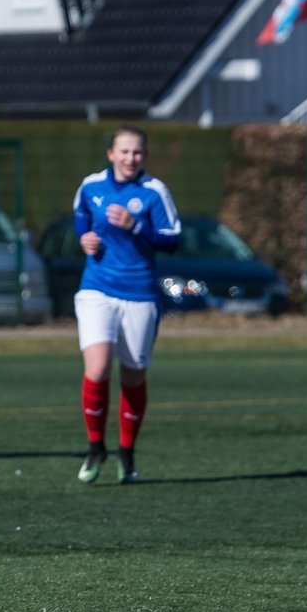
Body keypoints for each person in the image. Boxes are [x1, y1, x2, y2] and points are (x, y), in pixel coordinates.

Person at [71, 123, 181, 484]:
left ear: (144, 156)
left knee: (133, 375)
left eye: (137, 152)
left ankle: (127, 454)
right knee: (99, 368)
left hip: (140, 295)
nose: (130, 158)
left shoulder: (154, 192)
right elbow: (80, 216)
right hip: (97, 288)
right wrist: (84, 237)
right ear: (110, 154)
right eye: (124, 151)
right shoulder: (91, 186)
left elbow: (171, 241)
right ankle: (94, 447)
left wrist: (136, 226)